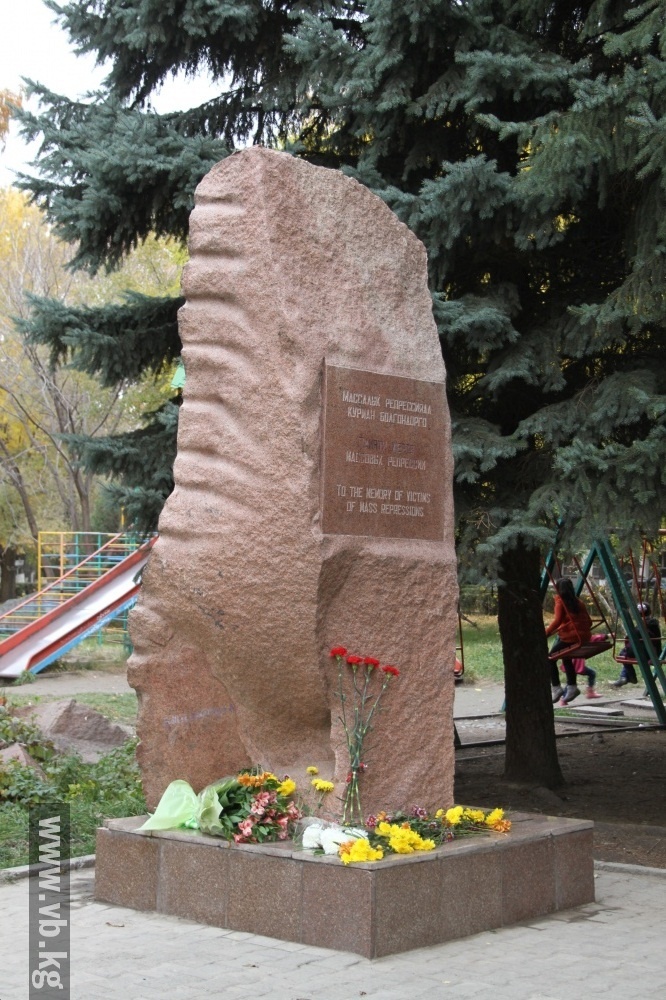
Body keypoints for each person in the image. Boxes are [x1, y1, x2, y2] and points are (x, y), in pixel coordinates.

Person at [546, 578, 592, 705]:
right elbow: (589, 622)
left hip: (571, 638)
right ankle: (572, 687)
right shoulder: (579, 602)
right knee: (565, 657)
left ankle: (556, 688)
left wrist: (546, 633)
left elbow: (557, 621)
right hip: (584, 637)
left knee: (549, 658)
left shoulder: (560, 602)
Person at [611, 603, 662, 687]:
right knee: (626, 653)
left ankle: (628, 677)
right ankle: (625, 677)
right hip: (651, 651)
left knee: (624, 653)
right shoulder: (651, 623)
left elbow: (640, 635)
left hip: (649, 652)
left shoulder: (644, 625)